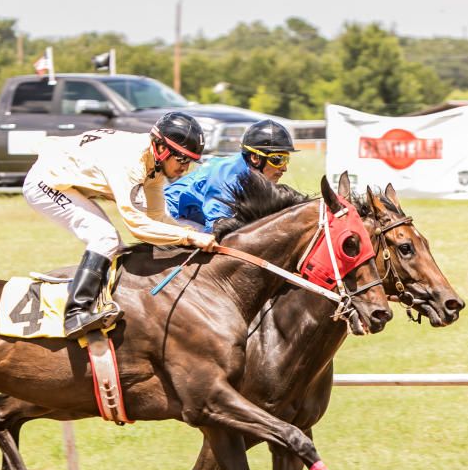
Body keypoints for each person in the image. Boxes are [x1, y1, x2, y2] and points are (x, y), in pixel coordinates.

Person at [22, 111, 217, 339]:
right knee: (105, 238)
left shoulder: (153, 168)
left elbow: (156, 218)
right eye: (182, 159)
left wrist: (191, 233)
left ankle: (105, 304)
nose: (185, 168)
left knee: (118, 248)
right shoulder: (131, 162)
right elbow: (137, 225)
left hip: (65, 180)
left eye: (191, 161)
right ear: (162, 149)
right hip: (45, 183)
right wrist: (191, 238)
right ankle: (75, 313)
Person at [165, 119, 295, 232]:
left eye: (286, 159)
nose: (284, 168)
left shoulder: (250, 172)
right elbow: (217, 228)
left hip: (195, 217)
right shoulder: (227, 178)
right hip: (170, 215)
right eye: (277, 159)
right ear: (255, 157)